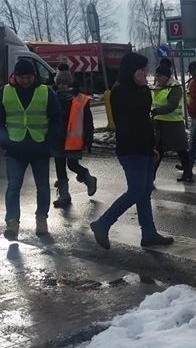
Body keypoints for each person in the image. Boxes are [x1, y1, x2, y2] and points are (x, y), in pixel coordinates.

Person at [90, 52, 173, 250]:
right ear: (131, 71)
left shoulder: (139, 90)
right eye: (141, 71)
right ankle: (103, 223)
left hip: (144, 149)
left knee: (144, 193)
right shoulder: (121, 92)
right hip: (130, 150)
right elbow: (134, 117)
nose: (145, 74)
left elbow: (144, 121)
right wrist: (144, 89)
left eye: (145, 70)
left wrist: (151, 148)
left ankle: (149, 233)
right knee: (136, 191)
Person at [0, 58, 60, 240]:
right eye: (22, 77)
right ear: (15, 77)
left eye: (29, 77)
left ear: (34, 76)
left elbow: (56, 119)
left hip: (39, 148)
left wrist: (48, 141)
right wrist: (5, 142)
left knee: (42, 187)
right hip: (15, 149)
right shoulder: (4, 92)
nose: (25, 81)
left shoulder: (46, 92)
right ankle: (12, 223)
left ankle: (41, 220)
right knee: (13, 186)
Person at [52, 70, 97, 208]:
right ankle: (64, 195)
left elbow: (88, 122)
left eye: (65, 83)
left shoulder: (80, 99)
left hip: (73, 140)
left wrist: (89, 139)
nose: (62, 86)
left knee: (72, 165)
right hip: (57, 139)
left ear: (70, 83)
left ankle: (88, 178)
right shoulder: (52, 97)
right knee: (60, 166)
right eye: (59, 83)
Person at [152, 62, 192, 183]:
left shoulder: (175, 87)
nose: (157, 78)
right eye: (156, 76)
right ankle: (150, 177)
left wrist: (156, 111)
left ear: (166, 76)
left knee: (181, 150)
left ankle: (188, 173)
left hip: (174, 124)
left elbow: (172, 105)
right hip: (160, 124)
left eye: (159, 76)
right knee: (158, 151)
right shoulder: (158, 86)